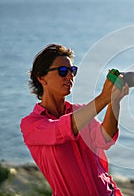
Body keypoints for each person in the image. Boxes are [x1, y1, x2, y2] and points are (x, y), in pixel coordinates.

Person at [20, 44, 128, 196]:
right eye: (63, 71)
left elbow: (105, 139)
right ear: (41, 77)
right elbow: (61, 129)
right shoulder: (31, 125)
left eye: (72, 71)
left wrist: (114, 101)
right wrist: (103, 98)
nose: (70, 76)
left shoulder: (80, 111)